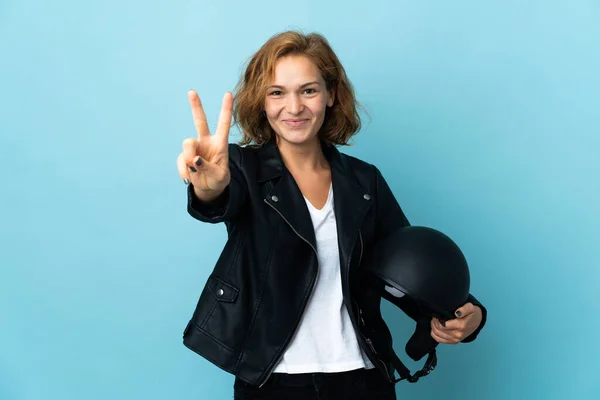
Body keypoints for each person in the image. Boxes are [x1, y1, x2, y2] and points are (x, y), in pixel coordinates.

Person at [176, 30, 487, 400]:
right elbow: (216, 201)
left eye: (308, 90)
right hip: (275, 382)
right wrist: (208, 187)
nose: (294, 108)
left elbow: (406, 265)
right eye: (277, 92)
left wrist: (468, 314)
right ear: (262, 101)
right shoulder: (242, 169)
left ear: (330, 94)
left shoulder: (363, 180)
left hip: (363, 378)